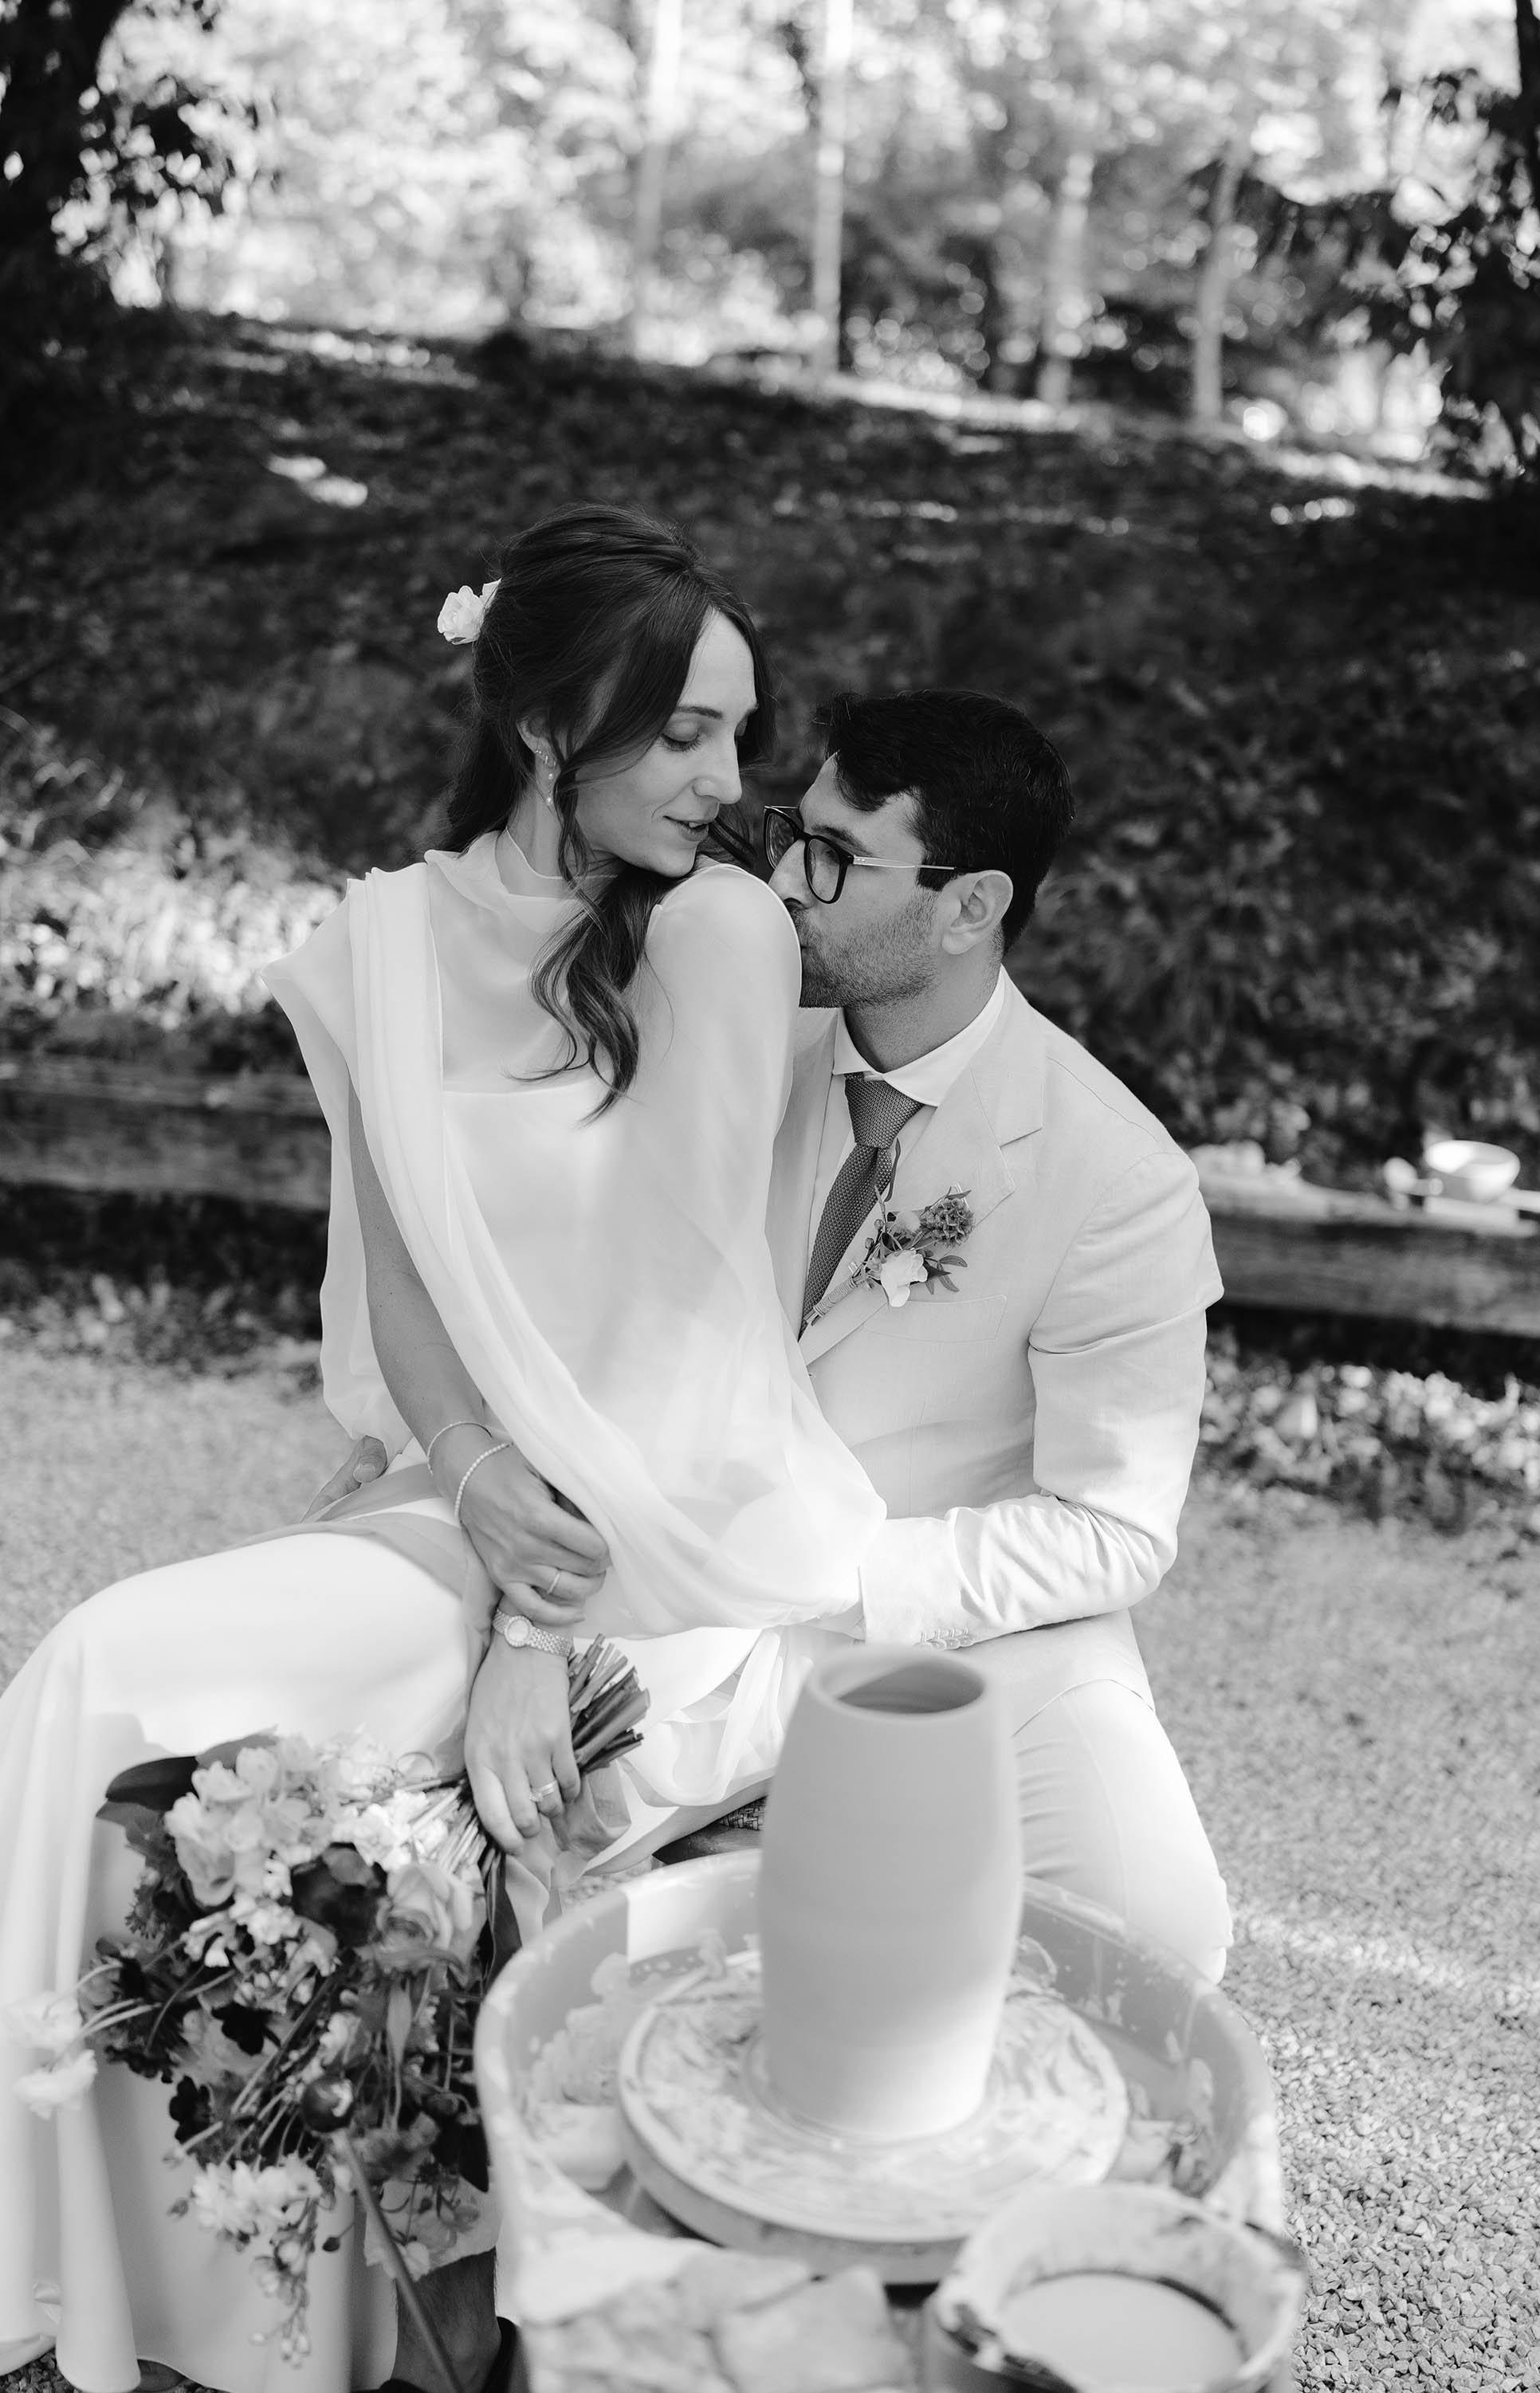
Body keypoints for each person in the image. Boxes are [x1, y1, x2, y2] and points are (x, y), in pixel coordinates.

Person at [0, 505, 887, 2393]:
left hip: (665, 1522)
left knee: (271, 1749)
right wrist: (477, 1495)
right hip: (476, 1490)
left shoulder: (717, 935)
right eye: (688, 736)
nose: (731, 785)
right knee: (96, 1663)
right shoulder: (382, 936)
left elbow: (677, 1326)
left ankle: (286, 2334)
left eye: (743, 733)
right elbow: (398, 1281)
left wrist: (539, 1631)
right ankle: (73, 2290)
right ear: (554, 724)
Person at [326, 681, 1233, 1980]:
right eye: (792, 836)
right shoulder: (731, 1026)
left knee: (1160, 1932)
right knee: (457, 1863)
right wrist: (441, 1456)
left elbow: (1115, 1526)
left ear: (971, 907)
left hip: (946, 1600)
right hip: (675, 1562)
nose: (789, 885)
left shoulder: (1116, 1179)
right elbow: (569, 1292)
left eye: (839, 858)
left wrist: (836, 1577)